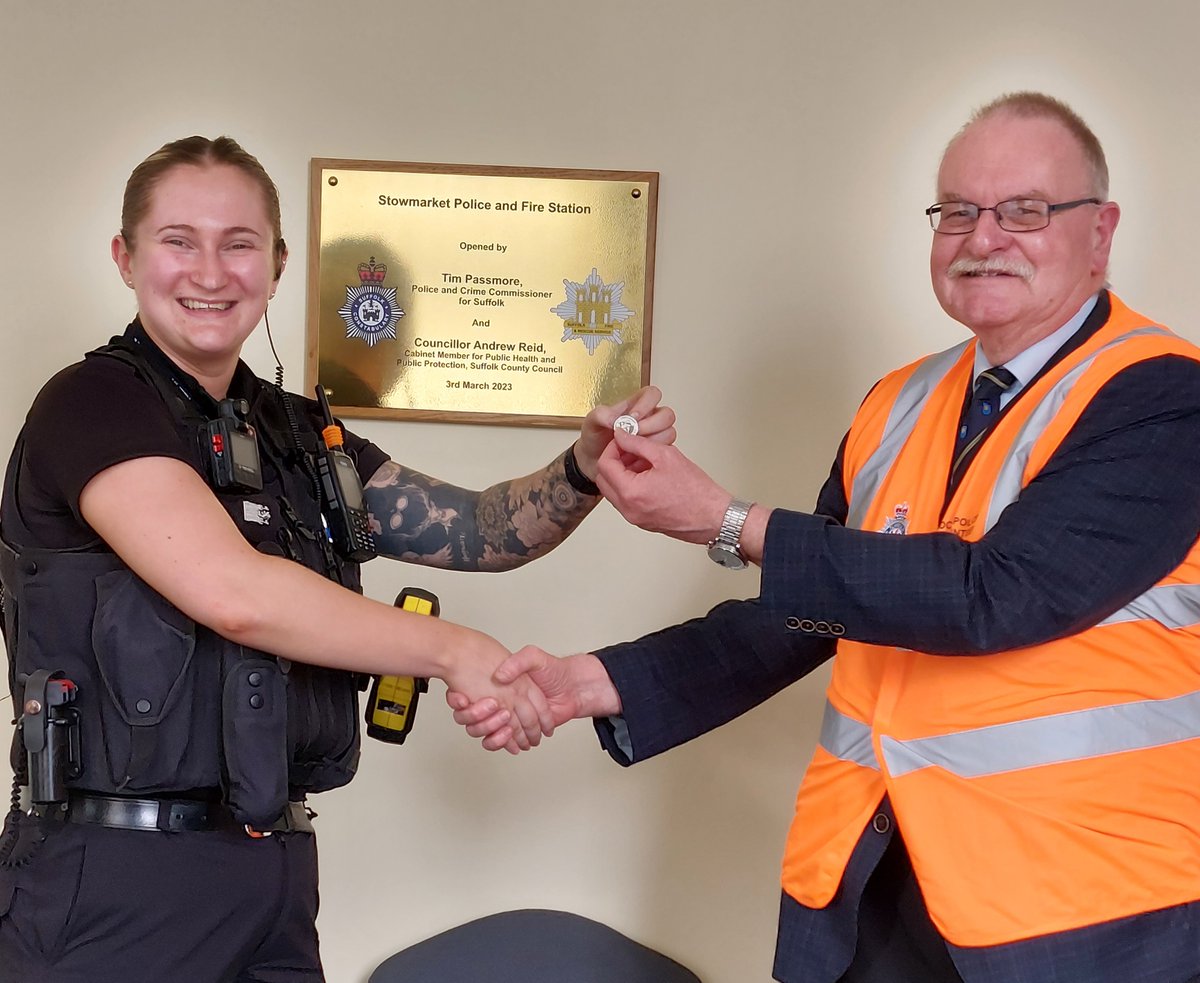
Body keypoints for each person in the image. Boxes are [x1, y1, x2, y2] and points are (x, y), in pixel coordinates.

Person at [452, 92, 1200, 983]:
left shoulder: (1164, 398)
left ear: (1101, 232)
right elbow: (810, 613)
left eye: (1025, 210)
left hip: (1085, 913)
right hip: (874, 892)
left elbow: (995, 594)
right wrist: (595, 681)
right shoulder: (899, 402)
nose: (983, 236)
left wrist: (728, 520)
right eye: (957, 210)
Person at [0, 134, 674, 983]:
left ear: (278, 264)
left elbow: (477, 529)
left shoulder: (291, 433)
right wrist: (456, 650)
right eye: (179, 240)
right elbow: (232, 590)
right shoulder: (92, 404)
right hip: (113, 878)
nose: (210, 271)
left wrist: (584, 468)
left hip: (272, 873)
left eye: (239, 243)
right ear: (126, 257)